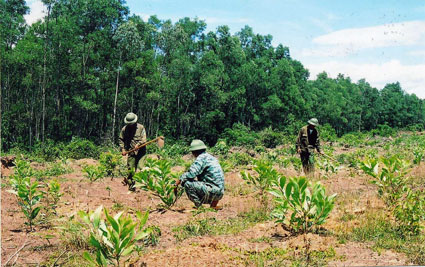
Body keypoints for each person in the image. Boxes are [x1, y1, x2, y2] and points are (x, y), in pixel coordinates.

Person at [175, 140, 225, 210]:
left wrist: (179, 180)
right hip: (220, 192)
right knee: (210, 181)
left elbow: (191, 174)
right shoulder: (211, 157)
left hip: (213, 192)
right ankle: (213, 206)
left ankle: (199, 207)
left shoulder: (201, 158)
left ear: (193, 152)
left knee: (187, 184)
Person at [119, 112, 147, 191]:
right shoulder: (124, 129)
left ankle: (146, 188)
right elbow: (121, 139)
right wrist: (123, 149)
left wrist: (138, 144)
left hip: (141, 152)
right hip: (131, 152)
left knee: (142, 168)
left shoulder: (141, 127)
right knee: (131, 170)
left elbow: (144, 139)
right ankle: (132, 187)